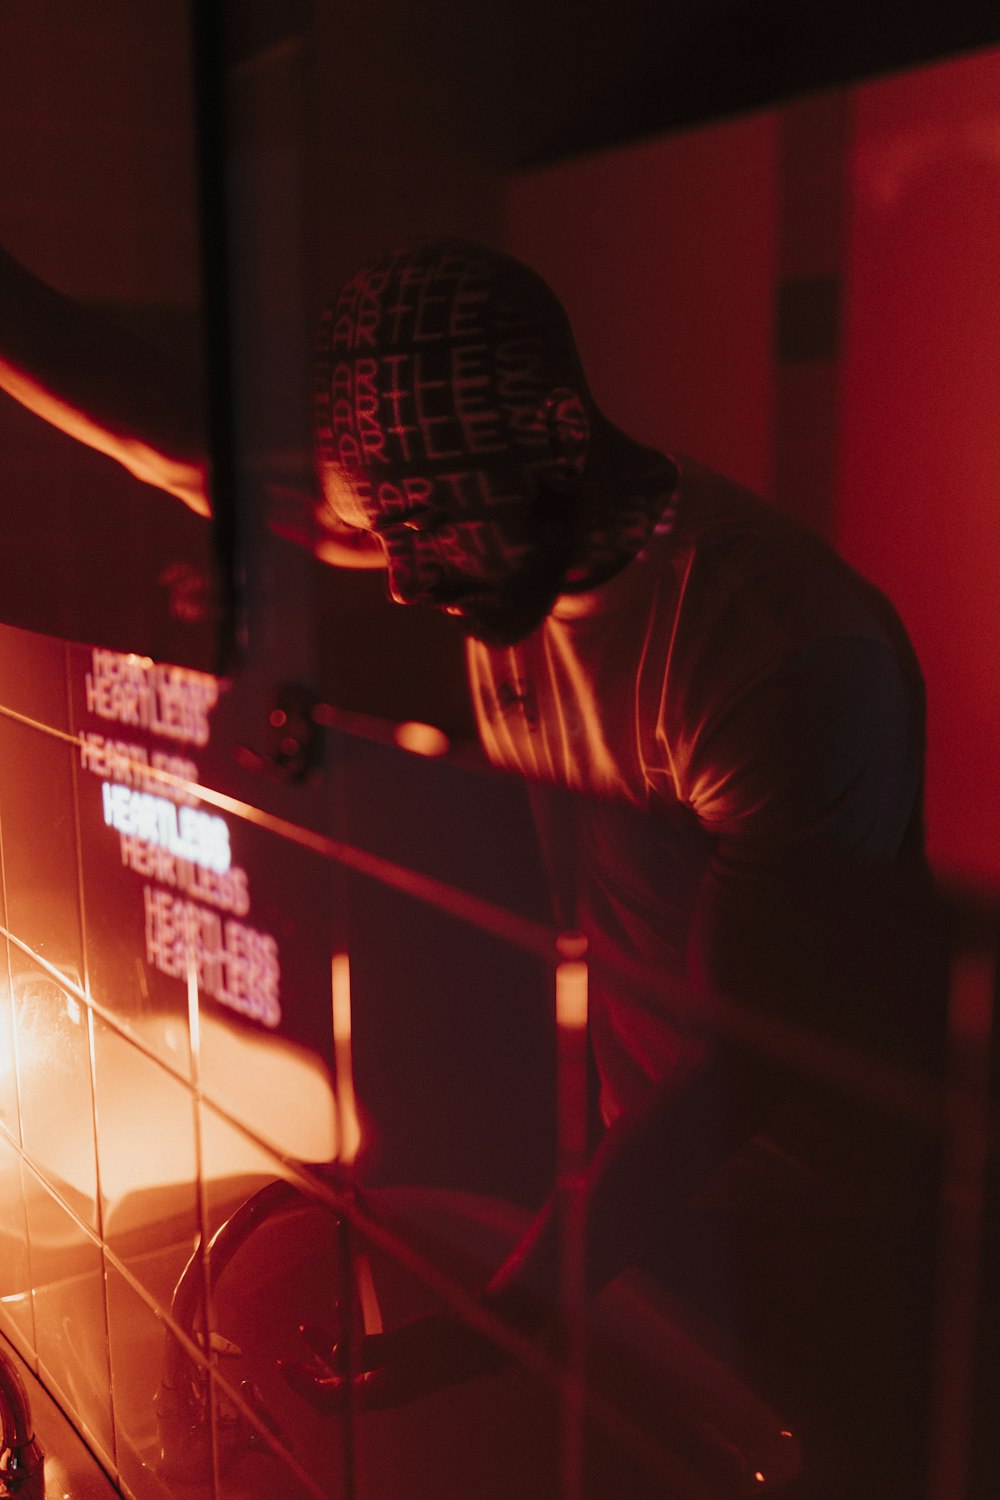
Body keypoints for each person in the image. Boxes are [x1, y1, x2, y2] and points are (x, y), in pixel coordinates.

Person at [0, 236, 943, 1494]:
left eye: (427, 524)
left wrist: (515, 1306)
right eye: (381, 523)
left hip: (833, 1214)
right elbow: (174, 445)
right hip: (653, 1179)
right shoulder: (480, 494)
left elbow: (735, 1066)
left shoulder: (776, 659)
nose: (397, 575)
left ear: (553, 444)